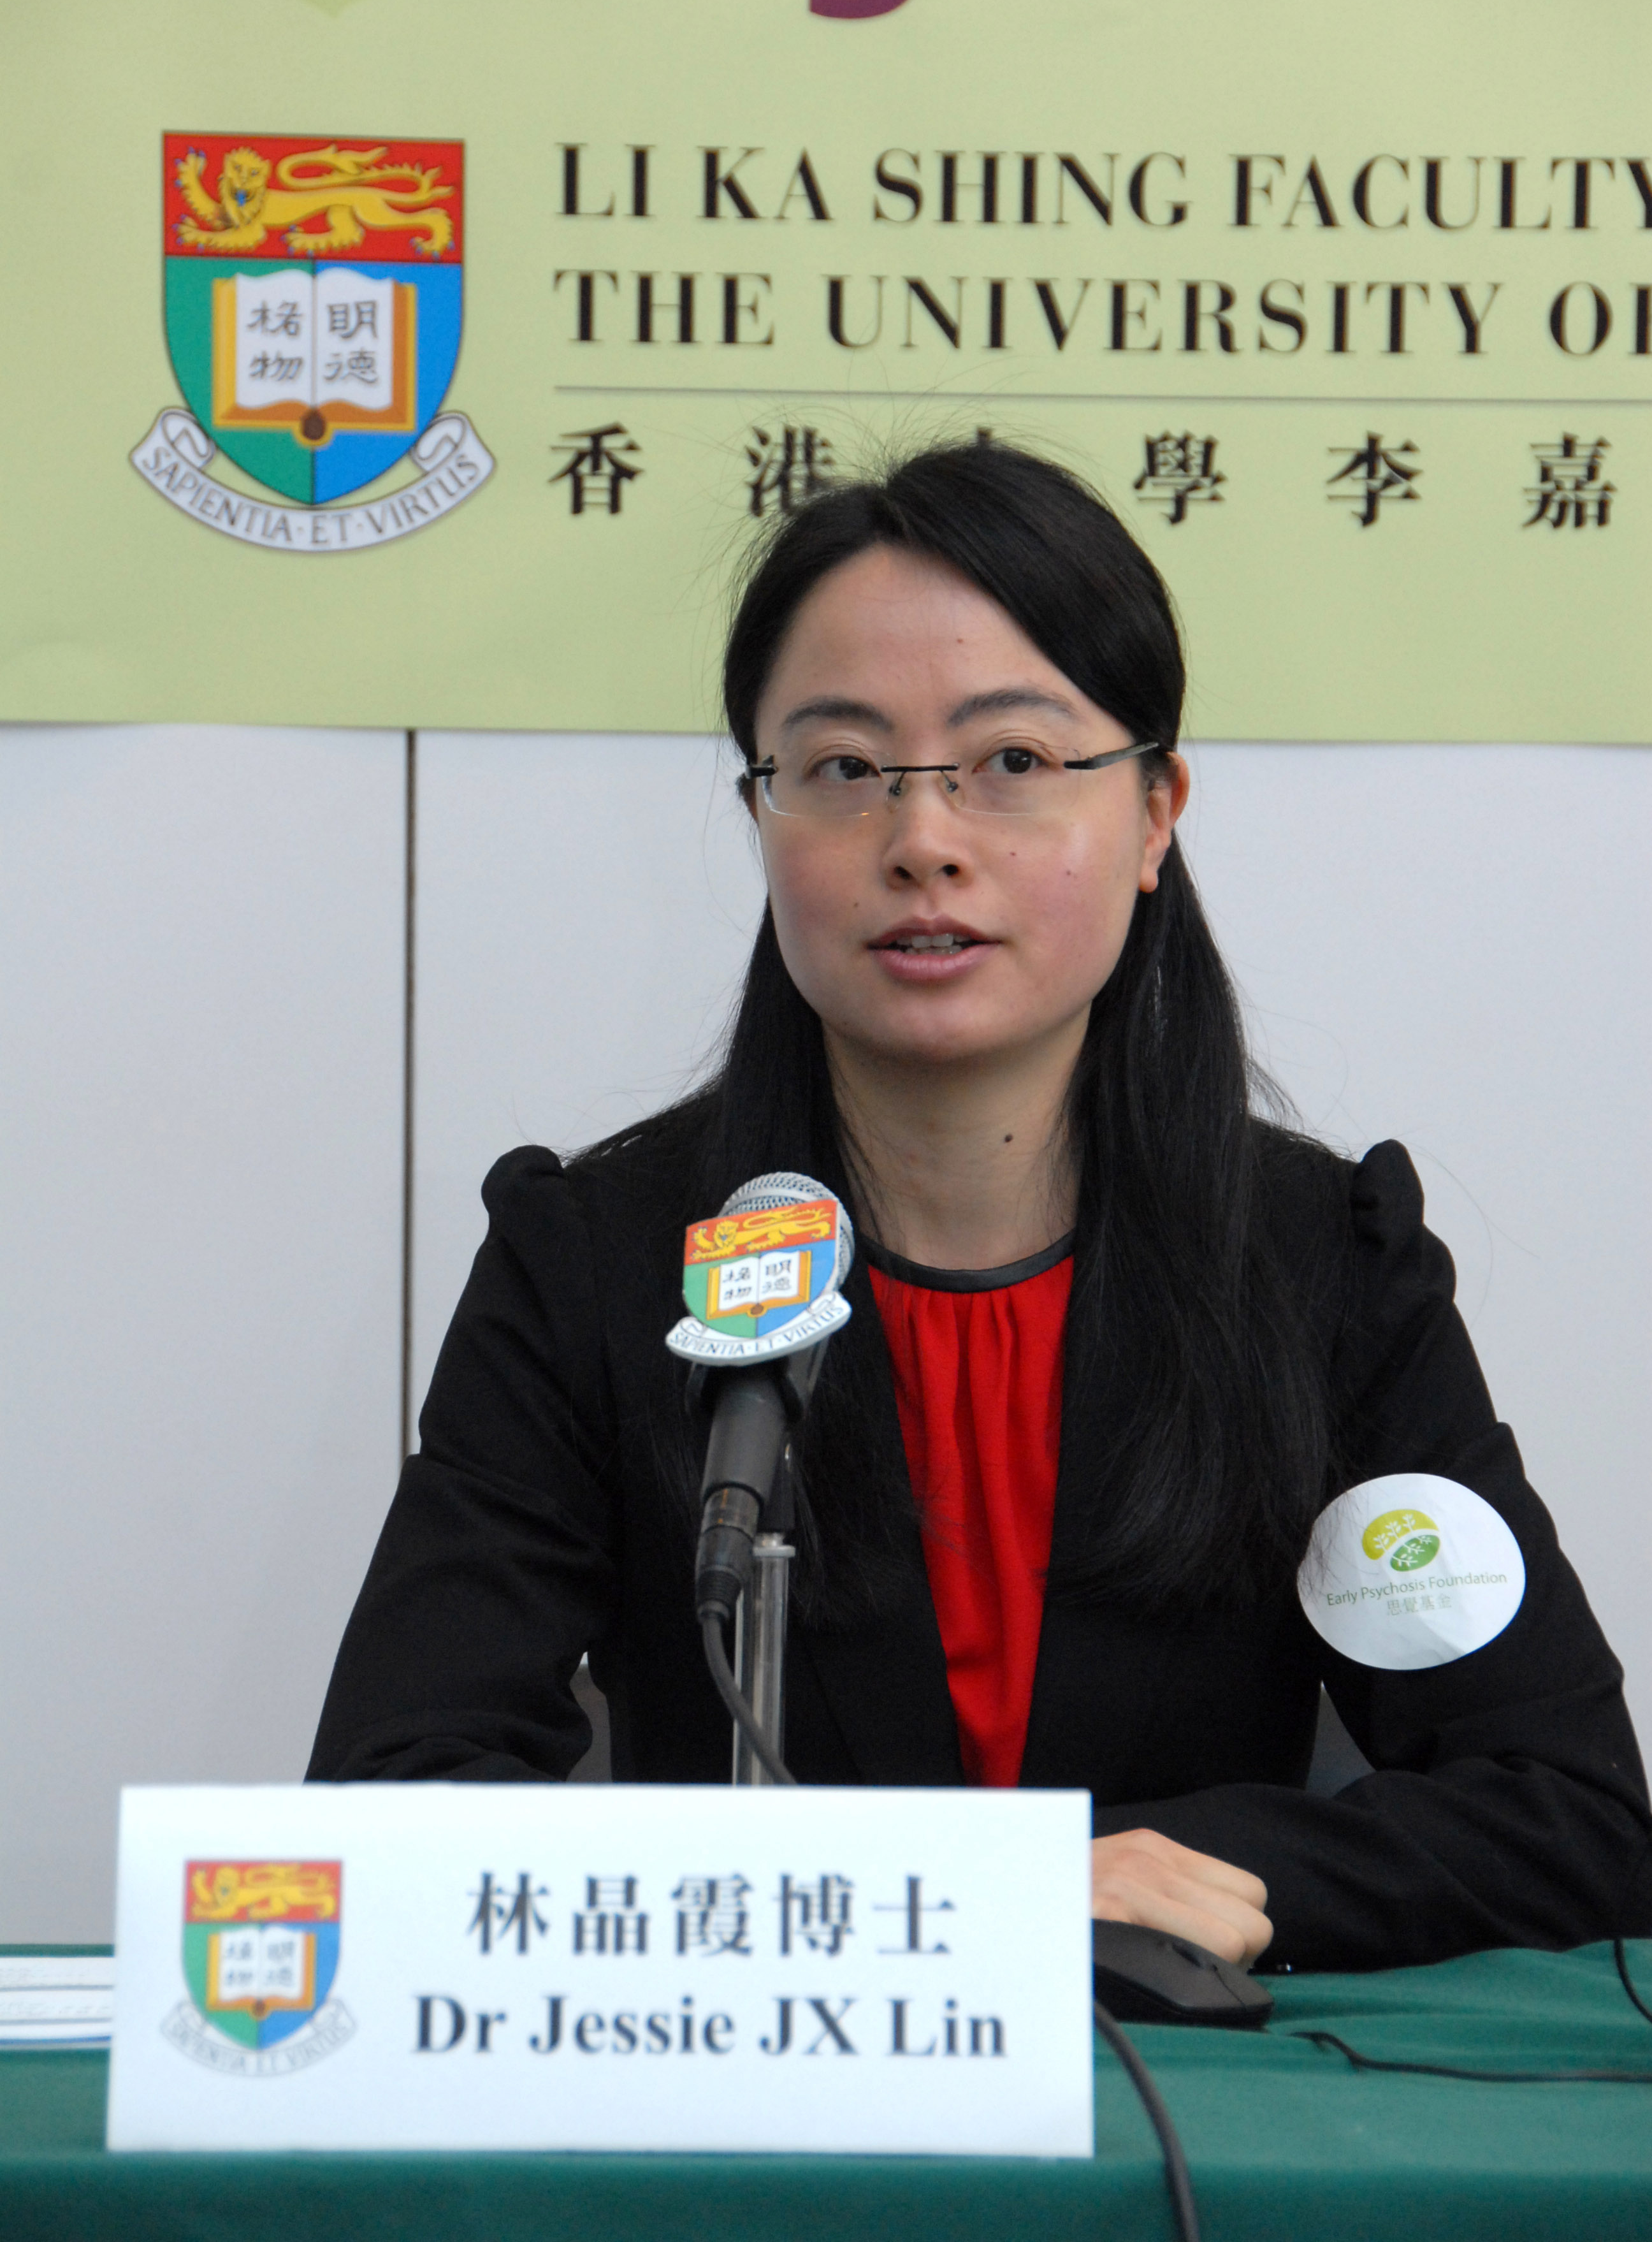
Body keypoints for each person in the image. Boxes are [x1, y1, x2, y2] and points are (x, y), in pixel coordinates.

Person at [310, 439, 1648, 1975]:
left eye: (1012, 760)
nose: (924, 840)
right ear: (762, 813)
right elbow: (391, 1804)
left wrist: (1189, 1874)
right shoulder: (603, 1263)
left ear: (1155, 815)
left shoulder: (1321, 1266)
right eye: (842, 768)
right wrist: (962, 1899)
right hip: (773, 2093)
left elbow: (1572, 1817)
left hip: (1176, 2100)